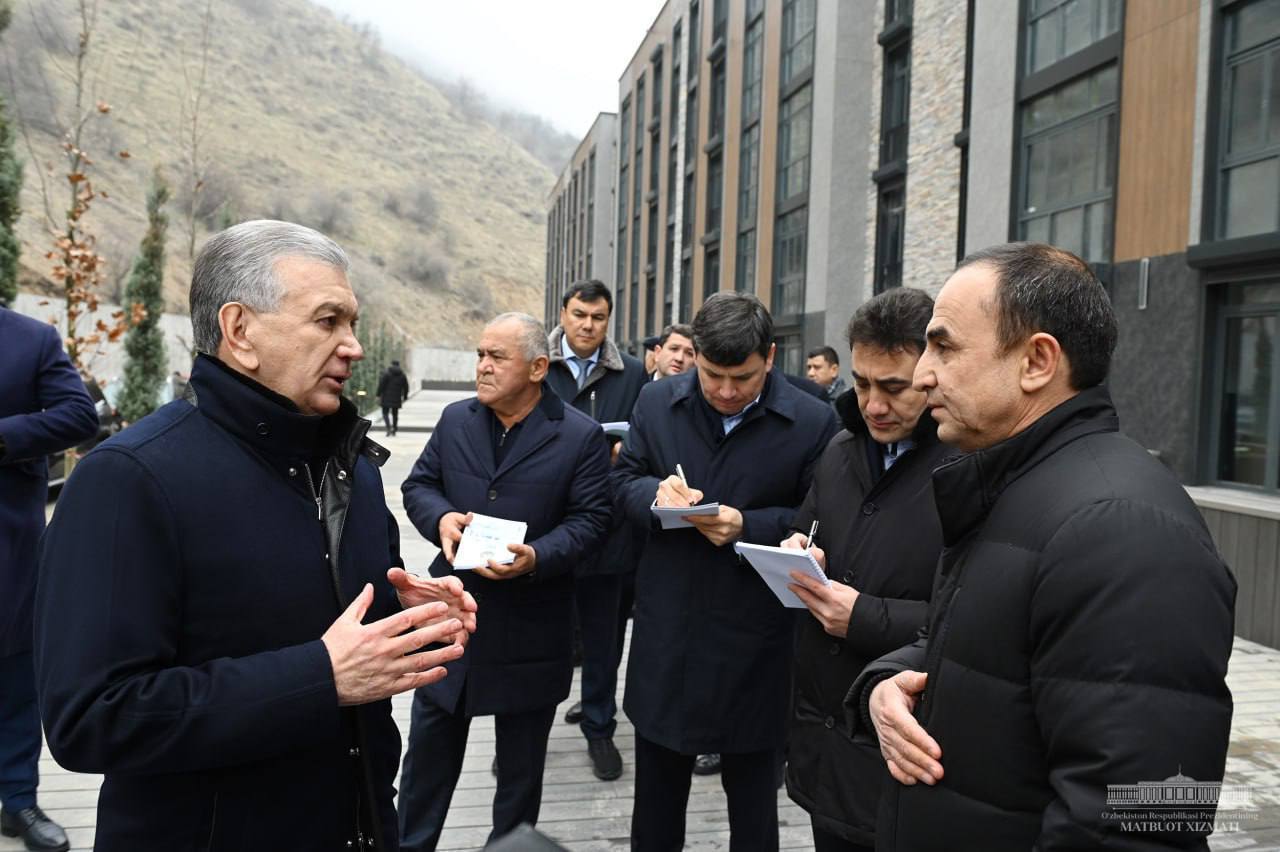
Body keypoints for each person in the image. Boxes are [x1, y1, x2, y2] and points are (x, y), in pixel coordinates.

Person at [35, 220, 477, 852]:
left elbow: (325, 633)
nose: (354, 347)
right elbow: (91, 718)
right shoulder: (129, 478)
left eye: (352, 322)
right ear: (240, 330)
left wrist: (405, 616)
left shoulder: (351, 466)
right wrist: (320, 677)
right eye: (328, 321)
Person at [849, 243, 1236, 851]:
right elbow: (979, 645)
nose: (922, 375)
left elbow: (1143, 822)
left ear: (1036, 361)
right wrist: (887, 681)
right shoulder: (1016, 488)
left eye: (944, 347)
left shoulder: (1122, 530)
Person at [612, 292, 839, 850]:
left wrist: (748, 525)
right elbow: (621, 483)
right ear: (695, 357)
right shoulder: (657, 402)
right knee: (656, 810)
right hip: (670, 631)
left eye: (743, 378)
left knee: (754, 811)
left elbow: (825, 517)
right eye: (712, 375)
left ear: (770, 357)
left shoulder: (813, 418)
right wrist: (656, 495)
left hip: (757, 642)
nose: (726, 391)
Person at [397, 312, 612, 850]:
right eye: (480, 355)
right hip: (451, 622)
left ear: (538, 368)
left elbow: (593, 521)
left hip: (531, 628)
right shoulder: (456, 420)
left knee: (519, 780)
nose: (483, 366)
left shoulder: (579, 436)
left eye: (496, 357)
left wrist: (537, 556)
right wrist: (441, 519)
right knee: (424, 770)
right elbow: (419, 485)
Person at [779, 288, 949, 852]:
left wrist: (865, 618)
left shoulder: (969, 467)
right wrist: (800, 548)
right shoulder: (839, 450)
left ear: (933, 371)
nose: (874, 405)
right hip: (822, 742)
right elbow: (810, 527)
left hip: (907, 753)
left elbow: (978, 620)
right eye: (862, 384)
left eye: (894, 388)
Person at [0, 307, 98, 852]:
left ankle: (18, 799)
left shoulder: (32, 339)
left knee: (16, 671)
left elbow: (78, 415)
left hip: (7, 543)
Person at [543, 280, 646, 781]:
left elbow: (647, 440)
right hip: (547, 526)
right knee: (543, 640)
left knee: (604, 641)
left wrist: (628, 450)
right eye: (579, 315)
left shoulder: (634, 374)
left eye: (598, 317)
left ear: (609, 319)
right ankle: (527, 731)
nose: (588, 325)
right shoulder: (537, 365)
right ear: (563, 313)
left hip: (609, 527)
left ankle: (600, 728)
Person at [376, 359, 410, 436]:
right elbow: (406, 387)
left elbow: (381, 385)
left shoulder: (386, 374)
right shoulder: (402, 375)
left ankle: (388, 428)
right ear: (398, 365)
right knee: (395, 414)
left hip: (386, 397)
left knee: (385, 413)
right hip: (396, 397)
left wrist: (378, 395)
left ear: (391, 364)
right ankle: (394, 429)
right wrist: (405, 396)